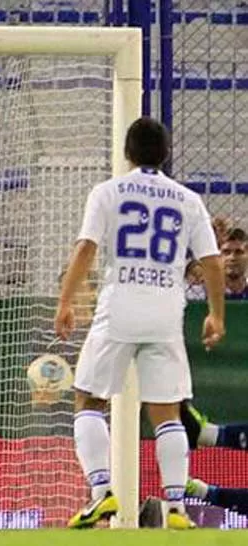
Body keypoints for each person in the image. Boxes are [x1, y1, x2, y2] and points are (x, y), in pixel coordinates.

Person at [54, 117, 226, 530]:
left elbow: (85, 249)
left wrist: (65, 302)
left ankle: (100, 493)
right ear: (166, 154)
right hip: (166, 311)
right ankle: (177, 508)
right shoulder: (187, 198)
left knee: (88, 398)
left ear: (126, 153)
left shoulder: (107, 192)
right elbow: (213, 261)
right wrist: (217, 313)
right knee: (166, 412)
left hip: (120, 307)